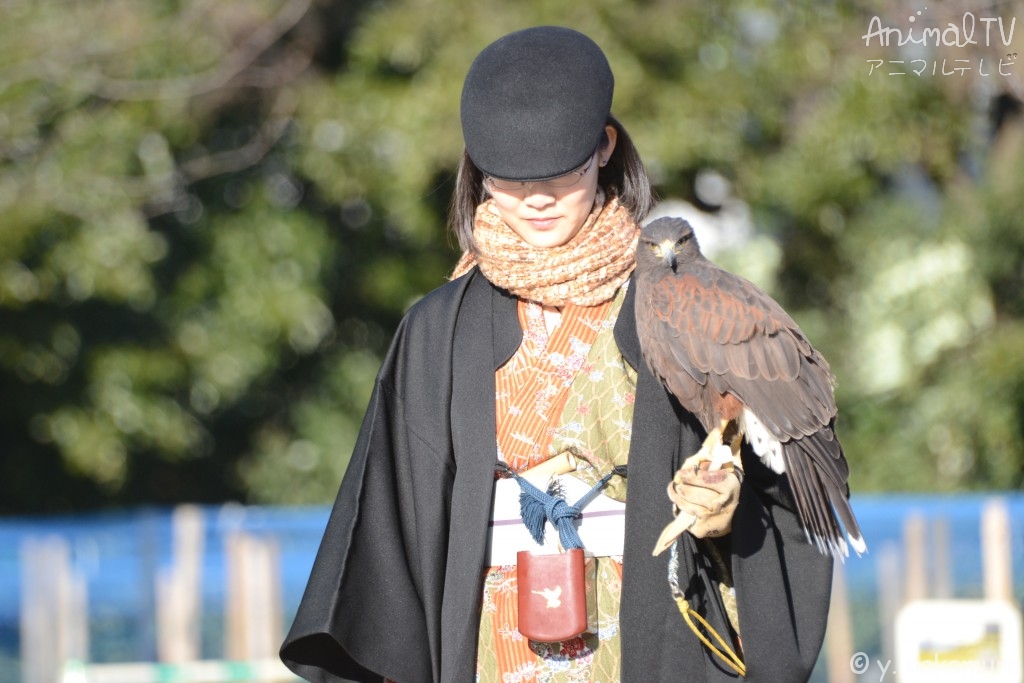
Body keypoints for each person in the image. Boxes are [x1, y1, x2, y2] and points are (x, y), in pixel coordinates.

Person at [280, 26, 833, 683]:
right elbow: (386, 547)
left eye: (557, 172)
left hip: (644, 639)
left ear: (604, 147)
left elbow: (786, 489)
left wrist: (723, 510)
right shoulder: (436, 329)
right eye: (509, 180)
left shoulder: (679, 301)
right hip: (486, 645)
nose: (535, 197)